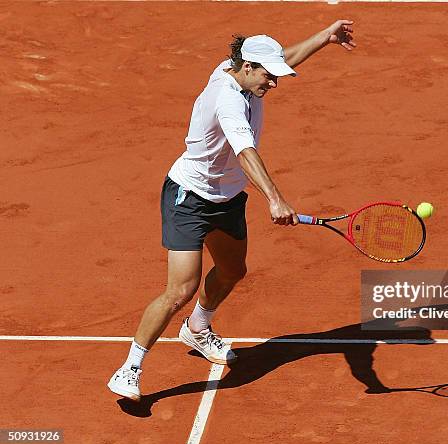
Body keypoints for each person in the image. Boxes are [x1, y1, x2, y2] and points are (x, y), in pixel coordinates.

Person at [108, 20, 356, 401]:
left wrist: (324, 37)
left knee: (232, 270)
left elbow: (283, 57)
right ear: (247, 68)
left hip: (227, 199)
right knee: (181, 289)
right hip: (189, 197)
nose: (273, 83)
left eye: (275, 76)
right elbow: (245, 152)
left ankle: (198, 328)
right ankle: (130, 368)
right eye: (268, 77)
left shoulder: (241, 70)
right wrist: (274, 198)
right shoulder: (227, 100)